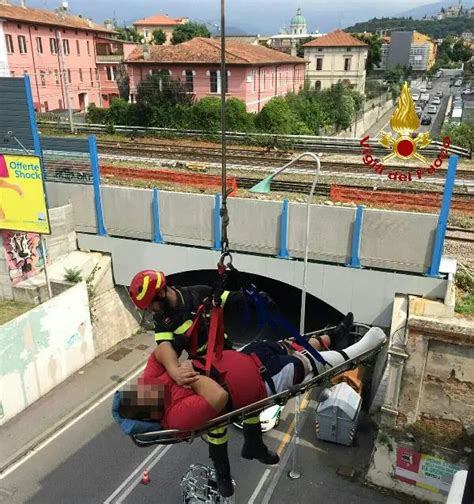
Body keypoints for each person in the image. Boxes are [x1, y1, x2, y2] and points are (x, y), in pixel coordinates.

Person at [118, 314, 372, 497]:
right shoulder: (176, 418)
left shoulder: (152, 384)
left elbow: (161, 351)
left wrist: (173, 369)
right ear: (152, 414)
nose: (150, 388)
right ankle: (356, 350)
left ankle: (333, 336)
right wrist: (191, 376)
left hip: (246, 355)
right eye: (148, 395)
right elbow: (217, 397)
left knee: (293, 346)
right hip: (263, 382)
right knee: (304, 364)